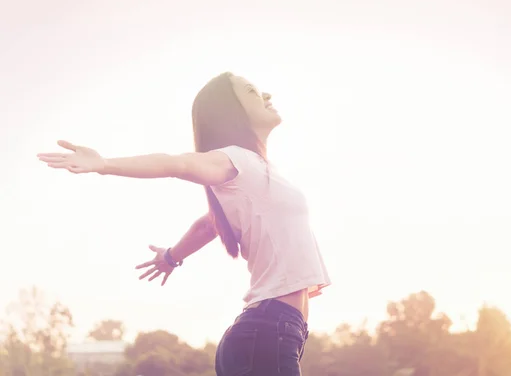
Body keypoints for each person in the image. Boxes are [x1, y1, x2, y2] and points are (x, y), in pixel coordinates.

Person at [37, 72, 331, 375]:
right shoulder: (234, 159)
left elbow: (208, 225)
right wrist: (105, 165)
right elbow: (176, 163)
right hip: (268, 330)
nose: (266, 96)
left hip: (275, 332)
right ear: (233, 112)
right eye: (252, 92)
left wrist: (171, 256)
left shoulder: (258, 173)